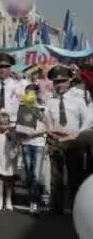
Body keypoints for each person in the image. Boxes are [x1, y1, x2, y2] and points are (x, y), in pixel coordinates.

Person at [45, 65, 91, 215]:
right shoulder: (49, 101)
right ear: (52, 83)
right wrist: (51, 131)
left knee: (75, 174)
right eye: (56, 82)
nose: (60, 85)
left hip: (74, 141)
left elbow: (87, 121)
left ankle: (74, 205)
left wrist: (76, 135)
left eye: (63, 81)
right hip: (56, 141)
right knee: (56, 176)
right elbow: (47, 120)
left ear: (69, 81)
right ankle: (56, 206)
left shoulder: (77, 100)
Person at [16, 84, 49, 215]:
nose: (30, 95)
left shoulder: (42, 108)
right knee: (29, 175)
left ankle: (34, 204)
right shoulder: (22, 108)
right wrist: (19, 139)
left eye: (32, 92)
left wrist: (36, 134)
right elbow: (18, 127)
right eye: (27, 92)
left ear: (36, 94)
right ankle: (34, 197)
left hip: (39, 144)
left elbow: (47, 126)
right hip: (26, 144)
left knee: (36, 174)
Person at [0, 110, 18, 211]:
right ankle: (0, 200)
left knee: (8, 181)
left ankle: (8, 200)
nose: (4, 126)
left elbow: (16, 144)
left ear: (9, 124)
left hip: (9, 161)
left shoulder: (11, 134)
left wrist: (15, 151)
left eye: (6, 124)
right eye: (1, 124)